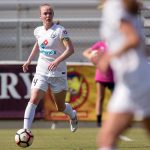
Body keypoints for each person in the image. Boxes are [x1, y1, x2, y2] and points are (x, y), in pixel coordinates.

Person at [97, 0, 150, 149]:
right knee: (107, 139)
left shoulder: (114, 6)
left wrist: (108, 57)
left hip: (136, 82)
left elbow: (133, 39)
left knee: (106, 139)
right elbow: (141, 47)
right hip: (132, 81)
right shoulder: (122, 6)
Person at [22, 3, 78, 132]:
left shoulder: (60, 30)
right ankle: (25, 131)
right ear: (40, 16)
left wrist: (57, 61)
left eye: (50, 13)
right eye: (45, 13)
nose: (48, 15)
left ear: (53, 15)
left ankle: (73, 115)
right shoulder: (38, 31)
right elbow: (38, 44)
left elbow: (70, 49)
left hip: (58, 73)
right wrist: (29, 60)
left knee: (60, 107)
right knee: (34, 98)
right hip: (41, 72)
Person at [82, 41, 114, 127]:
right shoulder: (100, 44)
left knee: (116, 99)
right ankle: (99, 121)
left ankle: (116, 120)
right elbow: (85, 52)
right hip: (101, 75)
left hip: (113, 75)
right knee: (100, 98)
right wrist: (92, 58)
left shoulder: (116, 44)